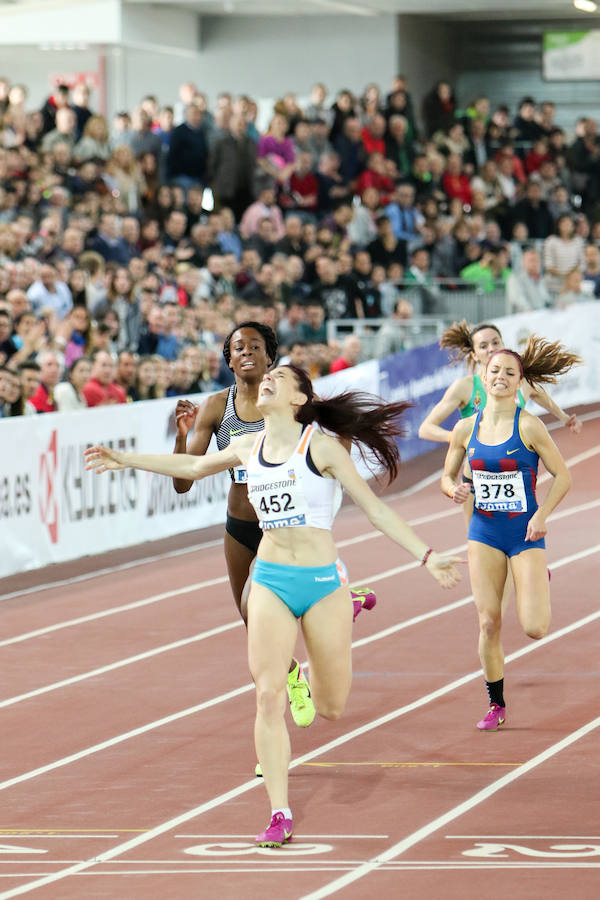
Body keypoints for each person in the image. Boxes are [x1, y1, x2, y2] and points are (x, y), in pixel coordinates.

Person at [85, 365, 462, 847]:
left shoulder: (321, 448)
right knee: (268, 695)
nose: (266, 379)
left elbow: (374, 508)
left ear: (298, 399)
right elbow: (193, 467)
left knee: (330, 707)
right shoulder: (246, 446)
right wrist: (125, 459)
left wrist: (426, 555)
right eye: (266, 377)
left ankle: (347, 601)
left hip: (321, 581)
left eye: (279, 378)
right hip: (270, 579)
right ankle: (279, 812)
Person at [170, 321, 377, 731]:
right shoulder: (216, 407)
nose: (245, 352)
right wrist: (181, 437)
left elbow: (332, 439)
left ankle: (332, 601)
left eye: (255, 346)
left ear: (270, 356)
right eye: (237, 347)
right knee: (255, 632)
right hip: (239, 527)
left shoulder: (285, 399)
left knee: (253, 603)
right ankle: (276, 721)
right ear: (228, 360)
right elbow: (182, 481)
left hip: (282, 530)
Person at [440, 337, 580, 731]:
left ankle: (535, 576)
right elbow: (447, 477)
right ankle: (496, 703)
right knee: (488, 623)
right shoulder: (466, 429)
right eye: (495, 371)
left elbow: (564, 476)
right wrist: (455, 490)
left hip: (525, 533)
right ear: (482, 377)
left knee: (535, 627)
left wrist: (543, 516)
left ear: (520, 383)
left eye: (509, 373)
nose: (500, 377)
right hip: (483, 531)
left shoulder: (530, 426)